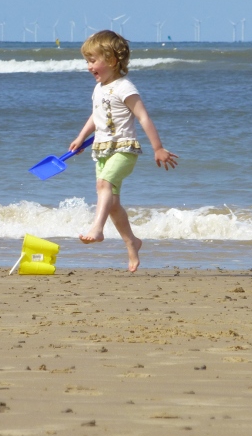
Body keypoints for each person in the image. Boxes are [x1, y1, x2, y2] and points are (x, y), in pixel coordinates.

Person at [69, 30, 178, 272]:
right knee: (113, 204)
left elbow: (143, 117)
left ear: (112, 60)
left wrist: (157, 148)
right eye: (87, 61)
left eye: (93, 60)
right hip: (102, 150)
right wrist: (80, 137)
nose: (89, 67)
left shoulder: (124, 87)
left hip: (124, 149)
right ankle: (132, 242)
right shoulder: (99, 88)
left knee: (103, 186)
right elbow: (96, 117)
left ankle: (97, 229)